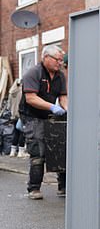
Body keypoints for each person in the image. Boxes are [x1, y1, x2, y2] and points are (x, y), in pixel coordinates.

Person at [20, 45, 67, 200]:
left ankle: (63, 187)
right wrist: (52, 107)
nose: (60, 63)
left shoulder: (60, 76)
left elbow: (63, 97)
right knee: (38, 151)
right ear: (46, 57)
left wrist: (66, 109)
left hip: (48, 115)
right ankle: (34, 188)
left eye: (61, 60)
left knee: (60, 147)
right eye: (57, 60)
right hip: (31, 116)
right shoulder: (34, 73)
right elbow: (31, 98)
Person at [7, 79, 28, 158]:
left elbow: (8, 106)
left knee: (15, 133)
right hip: (21, 115)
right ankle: (20, 152)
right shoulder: (22, 92)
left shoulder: (11, 92)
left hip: (13, 116)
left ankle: (12, 152)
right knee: (22, 133)